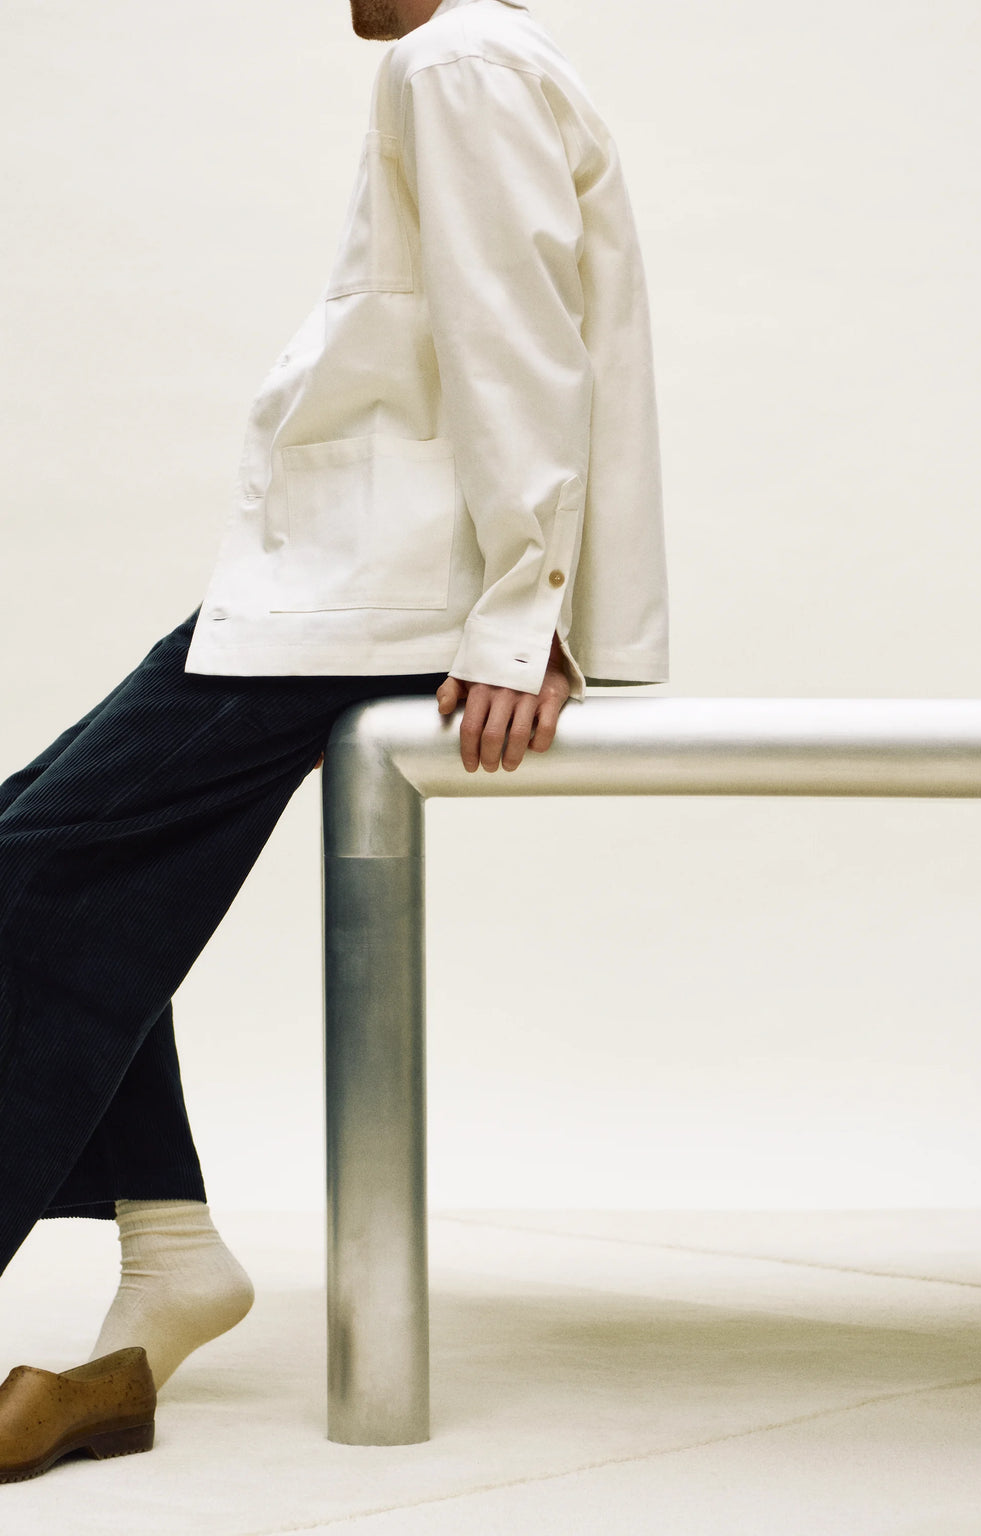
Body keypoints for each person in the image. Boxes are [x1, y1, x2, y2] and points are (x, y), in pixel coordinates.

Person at [0, 0, 669, 1444]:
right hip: (366, 584)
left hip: (390, 598)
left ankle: (172, 1257)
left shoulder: (458, 58)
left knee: (33, 871)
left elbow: (521, 338)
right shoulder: (474, 63)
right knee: (39, 846)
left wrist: (520, 612)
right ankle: (171, 1252)